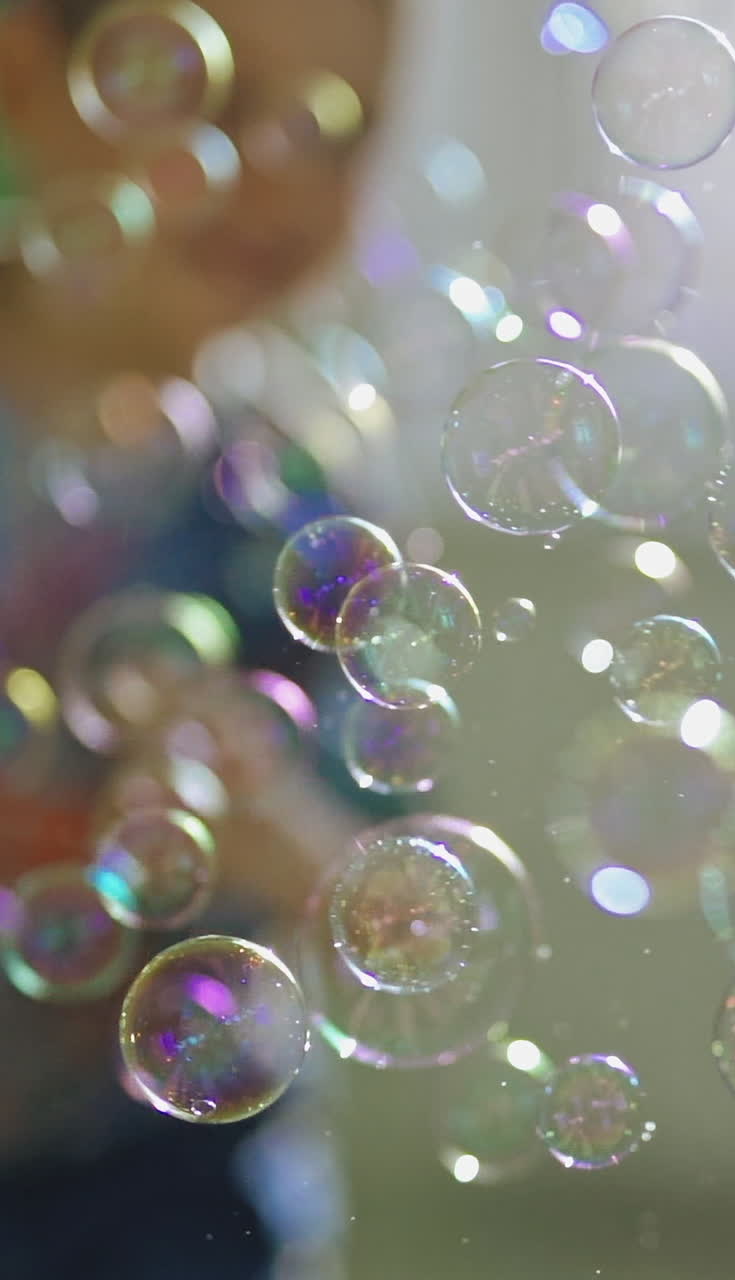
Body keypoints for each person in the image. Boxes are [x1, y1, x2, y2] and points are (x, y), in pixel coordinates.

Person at [0, 0, 398, 1275]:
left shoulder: (283, 504)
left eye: (333, 134)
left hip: (155, 1191)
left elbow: (387, 884)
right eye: (216, 104)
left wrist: (284, 834)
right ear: (20, 69)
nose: (275, 178)